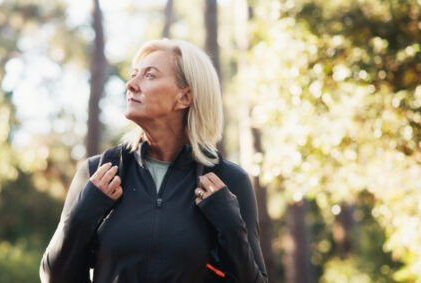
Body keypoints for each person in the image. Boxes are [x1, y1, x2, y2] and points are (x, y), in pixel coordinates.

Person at [40, 39, 268, 282]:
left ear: (185, 97)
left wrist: (231, 226)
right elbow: (53, 276)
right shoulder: (97, 173)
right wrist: (84, 213)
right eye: (134, 74)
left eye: (149, 75)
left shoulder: (229, 182)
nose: (130, 84)